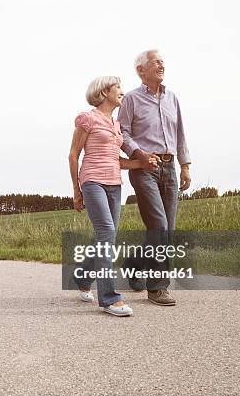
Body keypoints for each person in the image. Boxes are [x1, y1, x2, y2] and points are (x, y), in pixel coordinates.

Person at [68, 76, 158, 317]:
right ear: (104, 92)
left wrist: (142, 163)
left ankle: (82, 277)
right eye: (118, 87)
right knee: (107, 232)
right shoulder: (88, 118)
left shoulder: (116, 124)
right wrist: (77, 190)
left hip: (114, 183)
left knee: (106, 236)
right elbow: (74, 154)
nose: (122, 91)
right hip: (92, 181)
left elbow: (116, 160)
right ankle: (109, 298)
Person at [117, 49, 192, 306]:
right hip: (143, 169)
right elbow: (122, 134)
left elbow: (180, 133)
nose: (161, 64)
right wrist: (139, 153)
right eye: (155, 61)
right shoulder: (131, 100)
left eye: (162, 61)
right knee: (159, 225)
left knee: (166, 230)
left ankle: (134, 263)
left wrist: (185, 165)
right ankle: (158, 287)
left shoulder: (172, 98)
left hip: (170, 168)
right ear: (141, 70)